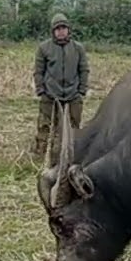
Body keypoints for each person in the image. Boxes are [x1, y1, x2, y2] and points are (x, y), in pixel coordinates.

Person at [33, 13, 89, 160]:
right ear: (53, 31)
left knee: (74, 127)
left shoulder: (78, 49)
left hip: (73, 95)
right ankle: (40, 155)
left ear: (68, 30)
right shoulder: (44, 48)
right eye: (57, 28)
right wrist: (41, 90)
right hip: (50, 94)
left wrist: (81, 90)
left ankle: (72, 156)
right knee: (45, 126)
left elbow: (83, 70)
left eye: (63, 28)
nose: (61, 31)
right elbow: (38, 71)